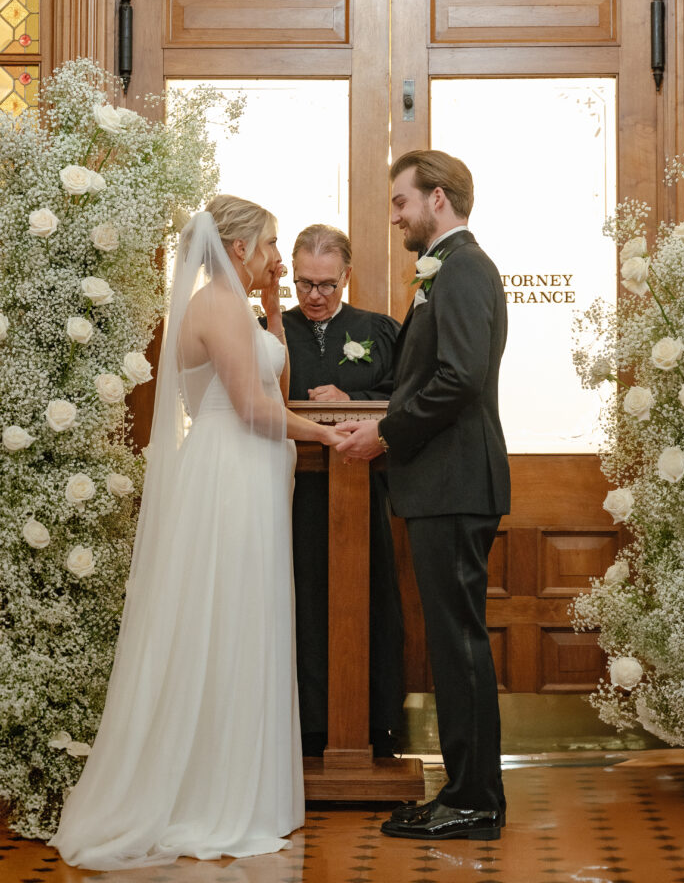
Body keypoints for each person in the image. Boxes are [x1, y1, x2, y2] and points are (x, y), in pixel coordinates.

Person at [51, 196, 343, 870]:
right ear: (237, 248)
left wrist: (272, 311)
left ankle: (245, 788)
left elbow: (277, 380)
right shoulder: (213, 306)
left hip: (253, 474)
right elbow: (251, 408)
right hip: (231, 476)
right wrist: (331, 436)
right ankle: (211, 795)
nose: (277, 259)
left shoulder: (236, 307)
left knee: (249, 620)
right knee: (228, 621)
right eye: (269, 246)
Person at [337, 151, 510, 841]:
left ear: (437, 199)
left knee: (458, 645)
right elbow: (426, 379)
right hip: (445, 482)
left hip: (456, 483)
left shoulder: (463, 268)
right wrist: (369, 410)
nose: (395, 214)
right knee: (450, 644)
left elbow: (461, 378)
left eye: (402, 201)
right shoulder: (450, 267)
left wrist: (385, 434)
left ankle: (473, 800)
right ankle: (466, 793)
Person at [273, 224, 404, 758]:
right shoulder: (270, 330)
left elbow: (408, 398)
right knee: (296, 602)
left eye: (327, 284)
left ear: (346, 276)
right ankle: (299, 727)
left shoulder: (380, 330)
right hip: (288, 498)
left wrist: (356, 395)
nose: (315, 296)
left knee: (367, 602)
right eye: (304, 283)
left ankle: (375, 724)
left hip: (361, 496)